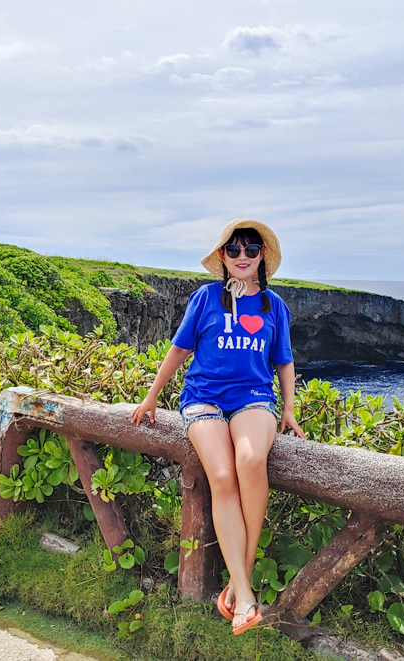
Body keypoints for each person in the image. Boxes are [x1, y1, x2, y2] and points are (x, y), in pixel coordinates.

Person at [130, 218, 305, 635]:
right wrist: (152, 396)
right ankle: (244, 597)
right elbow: (179, 349)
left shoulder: (273, 306)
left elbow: (284, 362)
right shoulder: (205, 298)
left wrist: (290, 410)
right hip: (203, 400)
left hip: (253, 400)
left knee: (249, 460)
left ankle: (239, 580)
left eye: (251, 249)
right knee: (222, 475)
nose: (242, 256)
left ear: (261, 256)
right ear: (223, 257)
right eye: (234, 249)